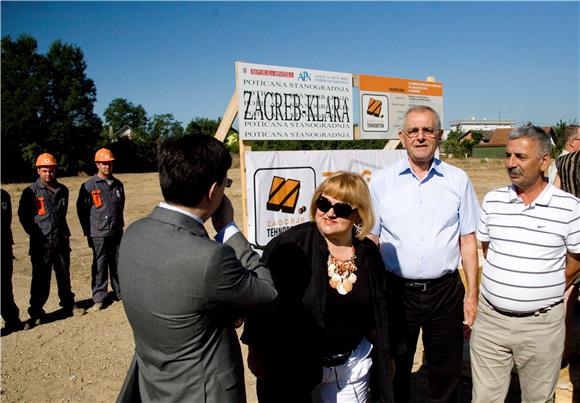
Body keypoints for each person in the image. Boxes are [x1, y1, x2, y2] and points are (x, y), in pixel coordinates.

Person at [116, 135, 278, 403]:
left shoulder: (134, 233)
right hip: (203, 393)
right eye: (226, 183)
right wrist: (228, 229)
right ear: (214, 191)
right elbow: (268, 293)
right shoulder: (210, 258)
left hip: (153, 385)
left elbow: (179, 298)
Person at [242, 171, 405, 403]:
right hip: (297, 366)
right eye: (324, 203)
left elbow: (382, 309)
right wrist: (256, 349)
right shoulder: (289, 246)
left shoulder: (368, 253)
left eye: (341, 209)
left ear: (358, 215)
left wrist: (388, 353)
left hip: (352, 366)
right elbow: (262, 302)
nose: (329, 212)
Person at [369, 105, 480, 403]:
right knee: (395, 368)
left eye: (428, 130)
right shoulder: (381, 181)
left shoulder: (458, 180)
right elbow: (371, 237)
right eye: (413, 131)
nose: (421, 136)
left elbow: (467, 239)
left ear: (439, 136)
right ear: (402, 137)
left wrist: (471, 294)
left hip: (445, 292)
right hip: (397, 291)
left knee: (446, 371)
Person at [470, 125, 580, 402]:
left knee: (538, 398)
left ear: (545, 160)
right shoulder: (494, 200)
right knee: (484, 398)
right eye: (507, 156)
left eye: (520, 156)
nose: (511, 163)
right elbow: (489, 248)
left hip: (541, 325)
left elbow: (577, 260)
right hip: (490, 322)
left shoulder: (569, 207)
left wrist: (546, 285)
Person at [18, 153, 85, 329]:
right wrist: (36, 234)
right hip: (41, 243)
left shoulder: (63, 190)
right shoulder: (30, 192)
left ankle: (68, 304)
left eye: (52, 170)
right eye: (45, 170)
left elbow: (61, 215)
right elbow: (23, 216)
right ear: (38, 170)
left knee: (64, 275)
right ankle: (37, 312)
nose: (48, 174)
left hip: (61, 240)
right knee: (40, 278)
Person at [77, 148, 125, 311]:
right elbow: (82, 211)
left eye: (110, 163)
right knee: (100, 265)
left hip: (116, 231)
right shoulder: (89, 186)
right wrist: (88, 232)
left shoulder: (118, 185)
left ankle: (120, 292)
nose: (107, 166)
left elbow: (120, 208)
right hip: (98, 233)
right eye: (104, 163)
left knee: (118, 262)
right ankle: (99, 297)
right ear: (97, 164)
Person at [554, 149, 580, 370]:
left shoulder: (564, 161)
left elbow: (555, 192)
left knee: (568, 293)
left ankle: (561, 352)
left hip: (570, 230)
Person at [2, 189, 23, 333]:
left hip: (3, 247)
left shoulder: (4, 196)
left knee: (5, 285)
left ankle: (12, 320)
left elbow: (6, 222)